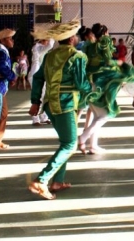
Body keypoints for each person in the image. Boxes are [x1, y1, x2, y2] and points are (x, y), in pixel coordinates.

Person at [28, 20, 93, 200]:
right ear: (72, 39)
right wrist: (94, 92)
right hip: (66, 104)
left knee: (65, 141)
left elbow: (38, 77)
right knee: (70, 144)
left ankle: (58, 181)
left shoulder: (50, 55)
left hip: (50, 104)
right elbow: (81, 84)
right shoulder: (77, 56)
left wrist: (35, 101)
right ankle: (42, 180)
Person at [79, 23, 134, 154]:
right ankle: (82, 138)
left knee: (97, 115)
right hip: (101, 83)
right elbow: (108, 61)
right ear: (105, 33)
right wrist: (120, 63)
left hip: (90, 82)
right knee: (106, 114)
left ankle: (93, 146)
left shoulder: (89, 46)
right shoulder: (104, 43)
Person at [27, 31, 54, 126]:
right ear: (43, 40)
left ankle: (43, 117)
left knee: (43, 96)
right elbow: (50, 45)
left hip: (38, 74)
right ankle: (35, 119)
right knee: (38, 96)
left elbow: (49, 45)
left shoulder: (39, 47)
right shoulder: (37, 47)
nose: (47, 42)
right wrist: (53, 34)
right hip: (35, 74)